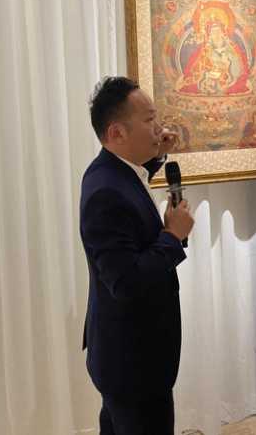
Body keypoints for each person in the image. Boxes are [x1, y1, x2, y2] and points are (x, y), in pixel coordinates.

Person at [80, 77, 195, 435]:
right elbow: (125, 281)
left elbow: (132, 184)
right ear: (117, 133)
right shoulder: (106, 192)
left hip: (124, 352)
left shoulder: (110, 171)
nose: (160, 128)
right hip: (133, 363)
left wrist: (157, 155)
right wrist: (172, 237)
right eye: (149, 120)